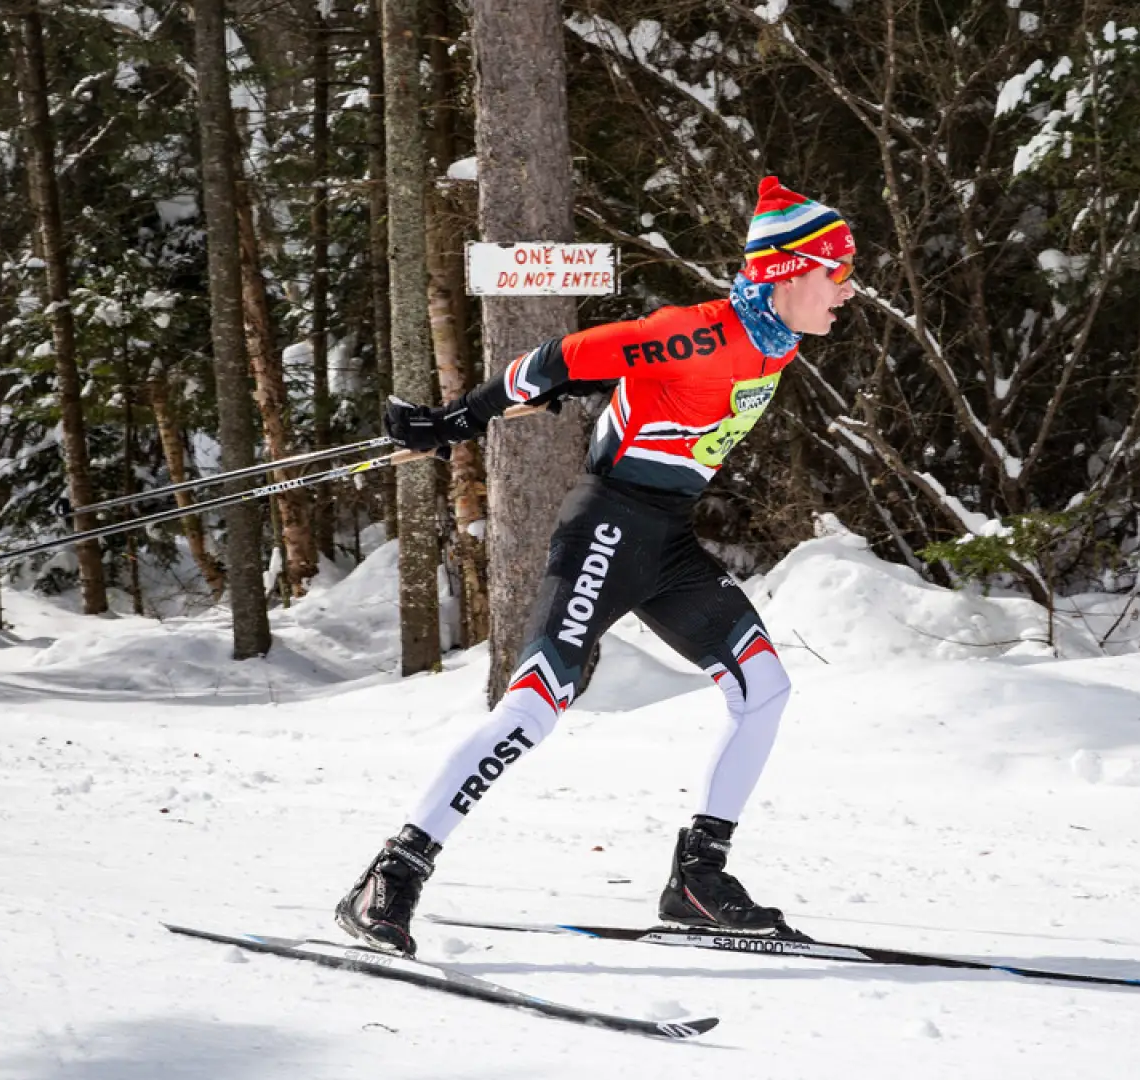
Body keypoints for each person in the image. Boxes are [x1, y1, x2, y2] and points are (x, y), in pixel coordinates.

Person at [337, 176, 857, 955]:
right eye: (835, 274)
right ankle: (392, 874)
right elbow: (569, 353)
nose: (847, 292)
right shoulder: (705, 332)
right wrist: (462, 416)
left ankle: (697, 881)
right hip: (607, 532)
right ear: (787, 274)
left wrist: (587, 393)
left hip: (668, 541)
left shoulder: (772, 342)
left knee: (764, 687)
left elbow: (635, 389)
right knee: (535, 707)